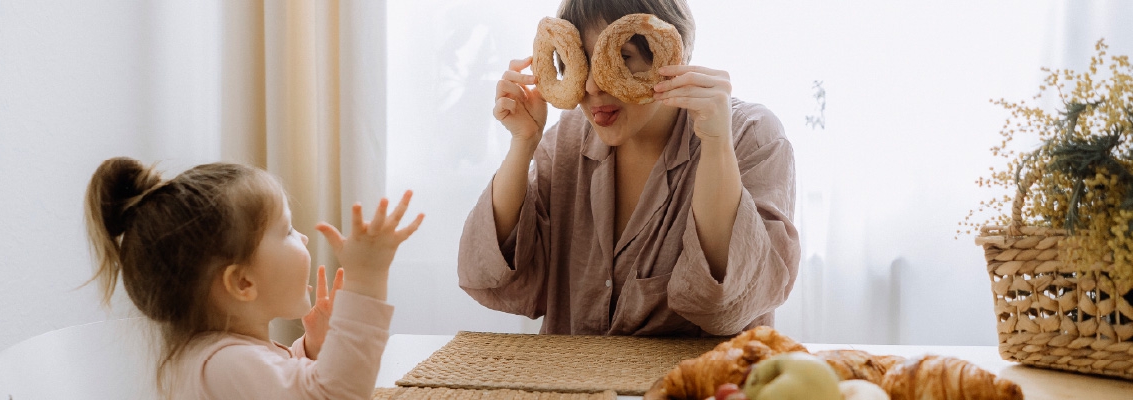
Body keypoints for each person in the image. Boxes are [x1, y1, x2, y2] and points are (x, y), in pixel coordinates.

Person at [458, 0, 799, 337]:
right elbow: (494, 274)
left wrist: (715, 145)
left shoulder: (749, 135)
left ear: (668, 53)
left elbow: (729, 301)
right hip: (577, 387)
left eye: (622, 58)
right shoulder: (565, 139)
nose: (592, 87)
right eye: (578, 64)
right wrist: (523, 142)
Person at [84, 157, 423, 399]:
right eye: (287, 231)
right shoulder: (225, 363)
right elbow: (334, 394)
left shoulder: (219, 356)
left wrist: (310, 350)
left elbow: (279, 385)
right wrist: (366, 280)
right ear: (242, 283)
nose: (303, 238)